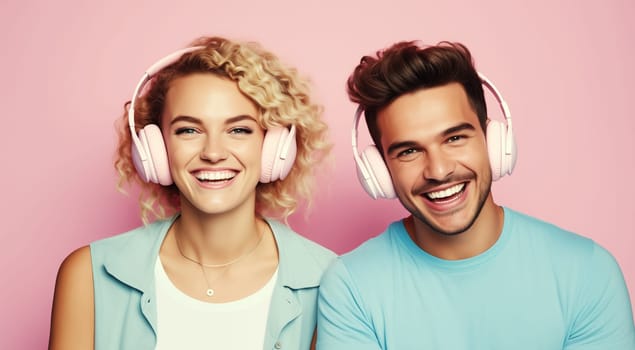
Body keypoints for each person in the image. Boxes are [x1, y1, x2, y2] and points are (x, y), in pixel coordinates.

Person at [317, 41, 635, 349]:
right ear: (381, 171)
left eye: (455, 137)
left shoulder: (587, 271)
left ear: (492, 140)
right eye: (409, 150)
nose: (438, 171)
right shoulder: (351, 287)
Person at [49, 36, 335, 350]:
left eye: (239, 130)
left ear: (275, 148)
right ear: (155, 150)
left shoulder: (331, 281)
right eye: (189, 130)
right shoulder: (88, 276)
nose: (213, 153)